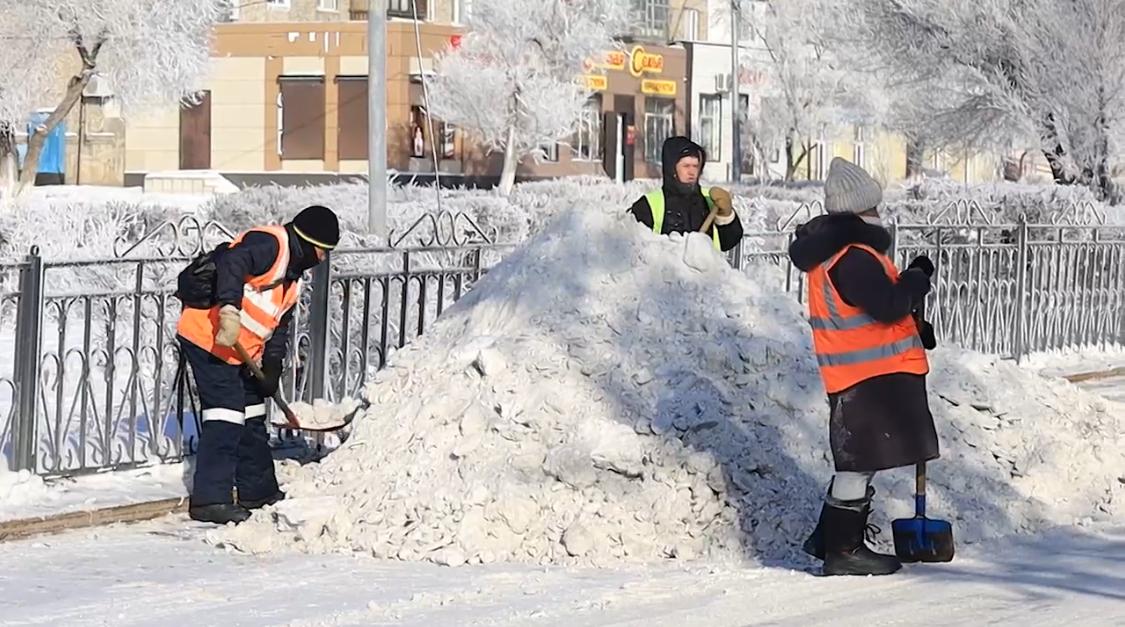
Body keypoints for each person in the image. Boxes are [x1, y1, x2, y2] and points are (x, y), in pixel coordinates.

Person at [786, 158, 940, 576]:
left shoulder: (836, 255)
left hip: (862, 372)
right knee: (857, 462)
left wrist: (915, 324)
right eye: (873, 207)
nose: (879, 213)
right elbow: (888, 306)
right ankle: (844, 551)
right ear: (859, 211)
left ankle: (828, 538)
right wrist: (917, 278)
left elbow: (873, 312)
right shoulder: (852, 256)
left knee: (861, 458)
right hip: (865, 377)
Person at [176, 205, 340, 525]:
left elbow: (279, 326)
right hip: (209, 338)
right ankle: (211, 498)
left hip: (241, 352)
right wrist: (229, 312)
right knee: (226, 414)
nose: (321, 259)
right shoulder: (272, 244)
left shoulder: (292, 279)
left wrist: (272, 369)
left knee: (253, 414)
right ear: (306, 242)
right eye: (321, 251)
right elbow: (232, 262)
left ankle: (257, 489)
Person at [628, 136, 744, 252]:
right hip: (665, 269)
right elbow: (630, 248)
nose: (692, 172)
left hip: (709, 269)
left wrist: (726, 216)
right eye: (686, 166)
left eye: (695, 166)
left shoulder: (710, 200)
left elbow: (729, 242)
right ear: (672, 169)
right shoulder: (649, 205)